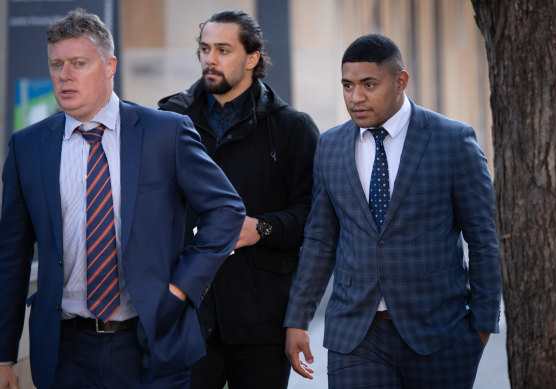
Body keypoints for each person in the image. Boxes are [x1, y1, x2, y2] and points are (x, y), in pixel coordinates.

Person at [0, 9, 245, 389]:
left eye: (78, 63)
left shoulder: (165, 132)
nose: (64, 75)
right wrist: (4, 355)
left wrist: (181, 287)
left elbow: (227, 210)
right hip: (66, 349)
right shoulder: (28, 147)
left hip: (153, 338)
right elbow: (12, 258)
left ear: (110, 65)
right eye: (56, 65)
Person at [284, 34, 502, 388]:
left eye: (369, 84)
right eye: (348, 85)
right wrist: (298, 319)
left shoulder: (453, 141)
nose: (356, 97)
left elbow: (483, 240)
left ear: (400, 81)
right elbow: (321, 239)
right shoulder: (330, 145)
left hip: (440, 335)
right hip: (355, 337)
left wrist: (482, 327)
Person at [158, 10, 319, 389]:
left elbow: (315, 216)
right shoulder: (169, 118)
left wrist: (261, 228)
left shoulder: (292, 128)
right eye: (204, 49)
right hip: (186, 313)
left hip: (262, 317)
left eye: (223, 50)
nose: (209, 59)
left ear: (252, 58)